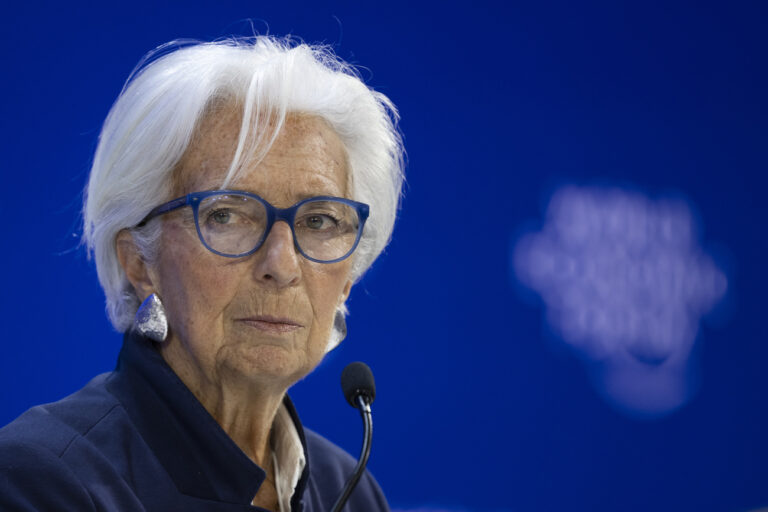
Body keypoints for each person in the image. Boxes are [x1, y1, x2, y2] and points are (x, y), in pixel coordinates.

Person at [0, 36, 404, 511]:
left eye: (319, 221)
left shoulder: (350, 492)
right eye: (226, 215)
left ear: (348, 277)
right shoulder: (42, 481)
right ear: (139, 261)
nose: (281, 266)